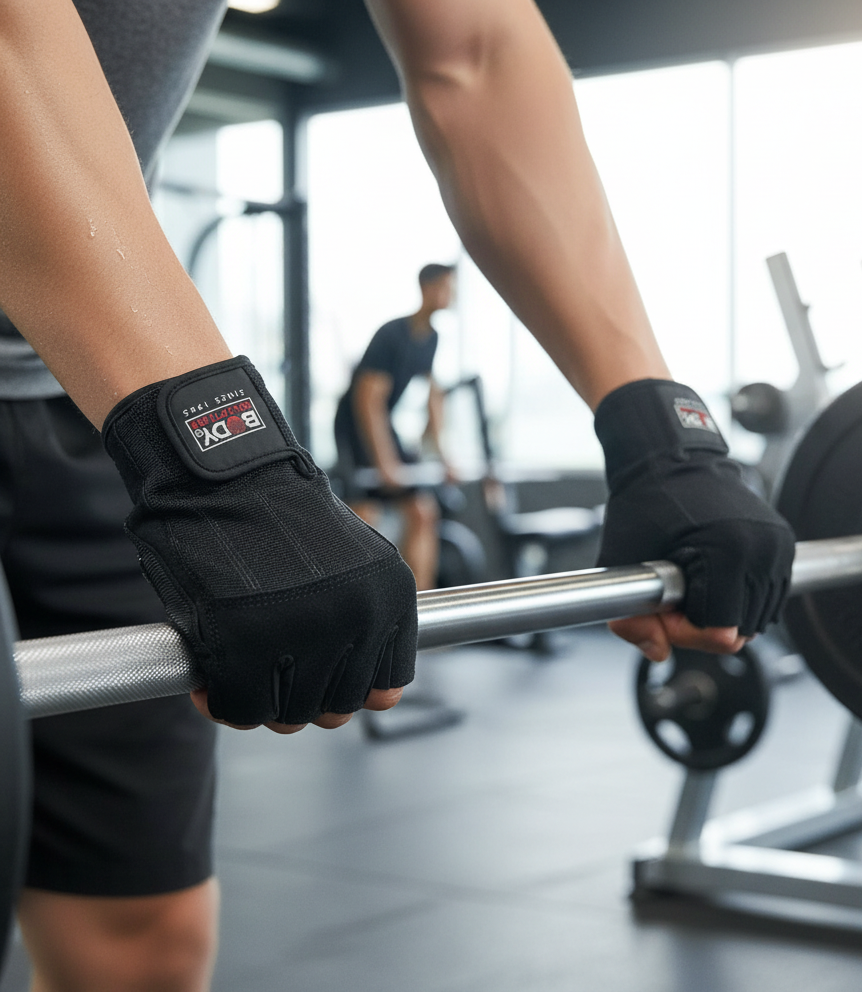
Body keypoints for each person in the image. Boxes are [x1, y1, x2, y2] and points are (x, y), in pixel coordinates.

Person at [0, 1, 796, 990]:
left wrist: (653, 425)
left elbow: (478, 52)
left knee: (143, 940)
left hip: (81, 400)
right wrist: (231, 468)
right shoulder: (393, 336)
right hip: (148, 405)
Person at [334, 262, 456, 591]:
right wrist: (385, 463)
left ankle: (423, 614)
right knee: (364, 516)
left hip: (383, 424)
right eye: (446, 287)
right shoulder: (391, 334)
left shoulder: (431, 339)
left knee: (422, 511)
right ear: (426, 288)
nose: (451, 295)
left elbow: (433, 399)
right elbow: (368, 400)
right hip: (355, 425)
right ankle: (359, 612)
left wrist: (443, 457)